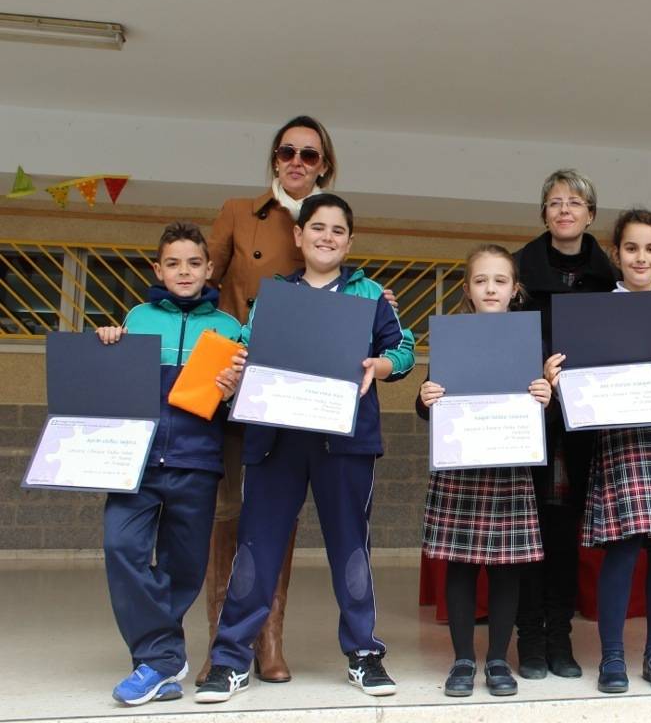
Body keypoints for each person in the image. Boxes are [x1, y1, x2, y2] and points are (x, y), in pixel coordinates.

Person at [196, 194, 415, 703]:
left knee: (350, 549)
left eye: (338, 230)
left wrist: (379, 367)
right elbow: (248, 349)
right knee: (257, 547)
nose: (327, 237)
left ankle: (364, 654)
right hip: (276, 441)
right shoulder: (275, 296)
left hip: (346, 443)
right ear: (298, 236)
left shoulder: (370, 296)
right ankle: (230, 660)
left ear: (350, 241)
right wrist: (235, 372)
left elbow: (402, 351)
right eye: (317, 227)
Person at [546, 209, 651, 694]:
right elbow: (579, 384)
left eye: (650, 249)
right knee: (622, 548)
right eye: (631, 248)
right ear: (616, 254)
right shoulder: (598, 305)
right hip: (620, 436)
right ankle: (613, 657)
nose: (640, 257)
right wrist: (561, 380)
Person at [200, 114, 337, 684]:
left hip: (294, 387)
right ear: (274, 159)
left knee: (279, 515)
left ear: (324, 164)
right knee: (228, 514)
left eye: (310, 154)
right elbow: (199, 283)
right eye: (288, 152)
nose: (297, 162)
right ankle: (220, 642)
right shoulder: (238, 212)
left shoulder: (330, 221)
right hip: (235, 380)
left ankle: (269, 637)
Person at [97, 222, 243, 705]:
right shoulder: (136, 318)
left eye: (194, 263)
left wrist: (233, 390)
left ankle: (156, 663)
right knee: (123, 549)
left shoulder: (229, 329)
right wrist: (108, 343)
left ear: (209, 269)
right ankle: (162, 657)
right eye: (174, 263)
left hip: (197, 463)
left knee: (185, 565)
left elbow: (240, 408)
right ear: (157, 269)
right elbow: (112, 386)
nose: (185, 272)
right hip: (134, 463)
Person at [417, 244, 552, 698]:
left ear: (515, 289)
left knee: (506, 568)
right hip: (461, 464)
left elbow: (543, 408)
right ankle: (461, 659)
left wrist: (544, 396)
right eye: (481, 281)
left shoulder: (532, 341)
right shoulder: (452, 335)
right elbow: (428, 402)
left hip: (509, 464)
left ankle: (497, 658)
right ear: (468, 289)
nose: (490, 288)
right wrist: (425, 395)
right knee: (459, 566)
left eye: (499, 281)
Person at [513, 169, 618, 680]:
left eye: (574, 202)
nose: (564, 210)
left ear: (590, 215)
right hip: (527, 417)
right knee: (526, 528)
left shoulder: (610, 278)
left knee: (565, 531)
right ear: (544, 214)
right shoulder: (516, 272)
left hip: (587, 422)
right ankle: (528, 637)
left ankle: (561, 634)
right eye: (554, 202)